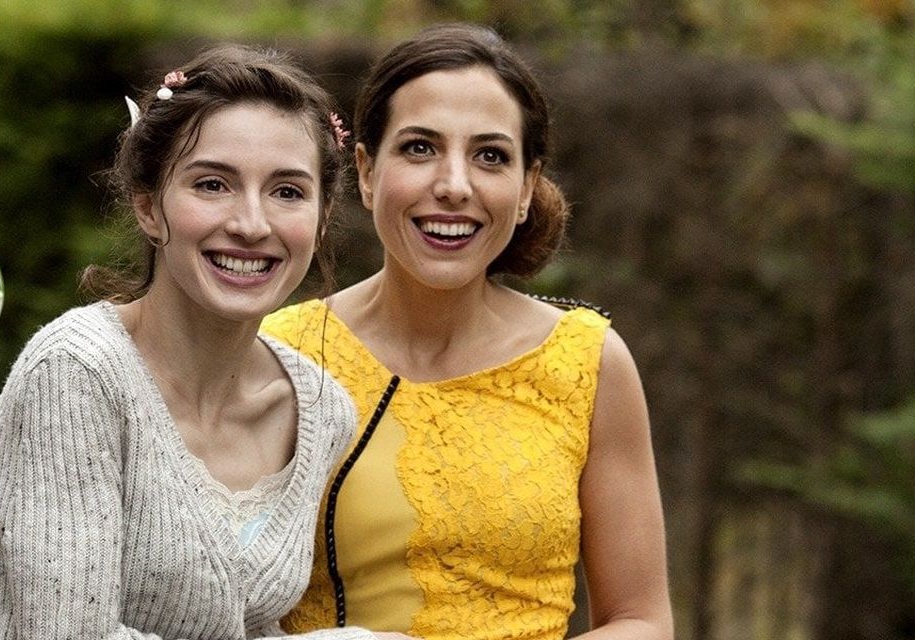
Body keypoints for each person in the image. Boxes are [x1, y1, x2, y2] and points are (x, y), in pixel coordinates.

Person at [0, 46, 407, 640]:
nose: (251, 224)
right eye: (212, 184)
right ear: (148, 206)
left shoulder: (319, 410)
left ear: (322, 217)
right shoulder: (75, 377)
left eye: (287, 191)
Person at [262, 24, 673, 640]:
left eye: (490, 156)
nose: (454, 186)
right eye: (420, 148)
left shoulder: (589, 362)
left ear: (527, 187)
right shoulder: (281, 354)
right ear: (367, 172)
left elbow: (642, 620)